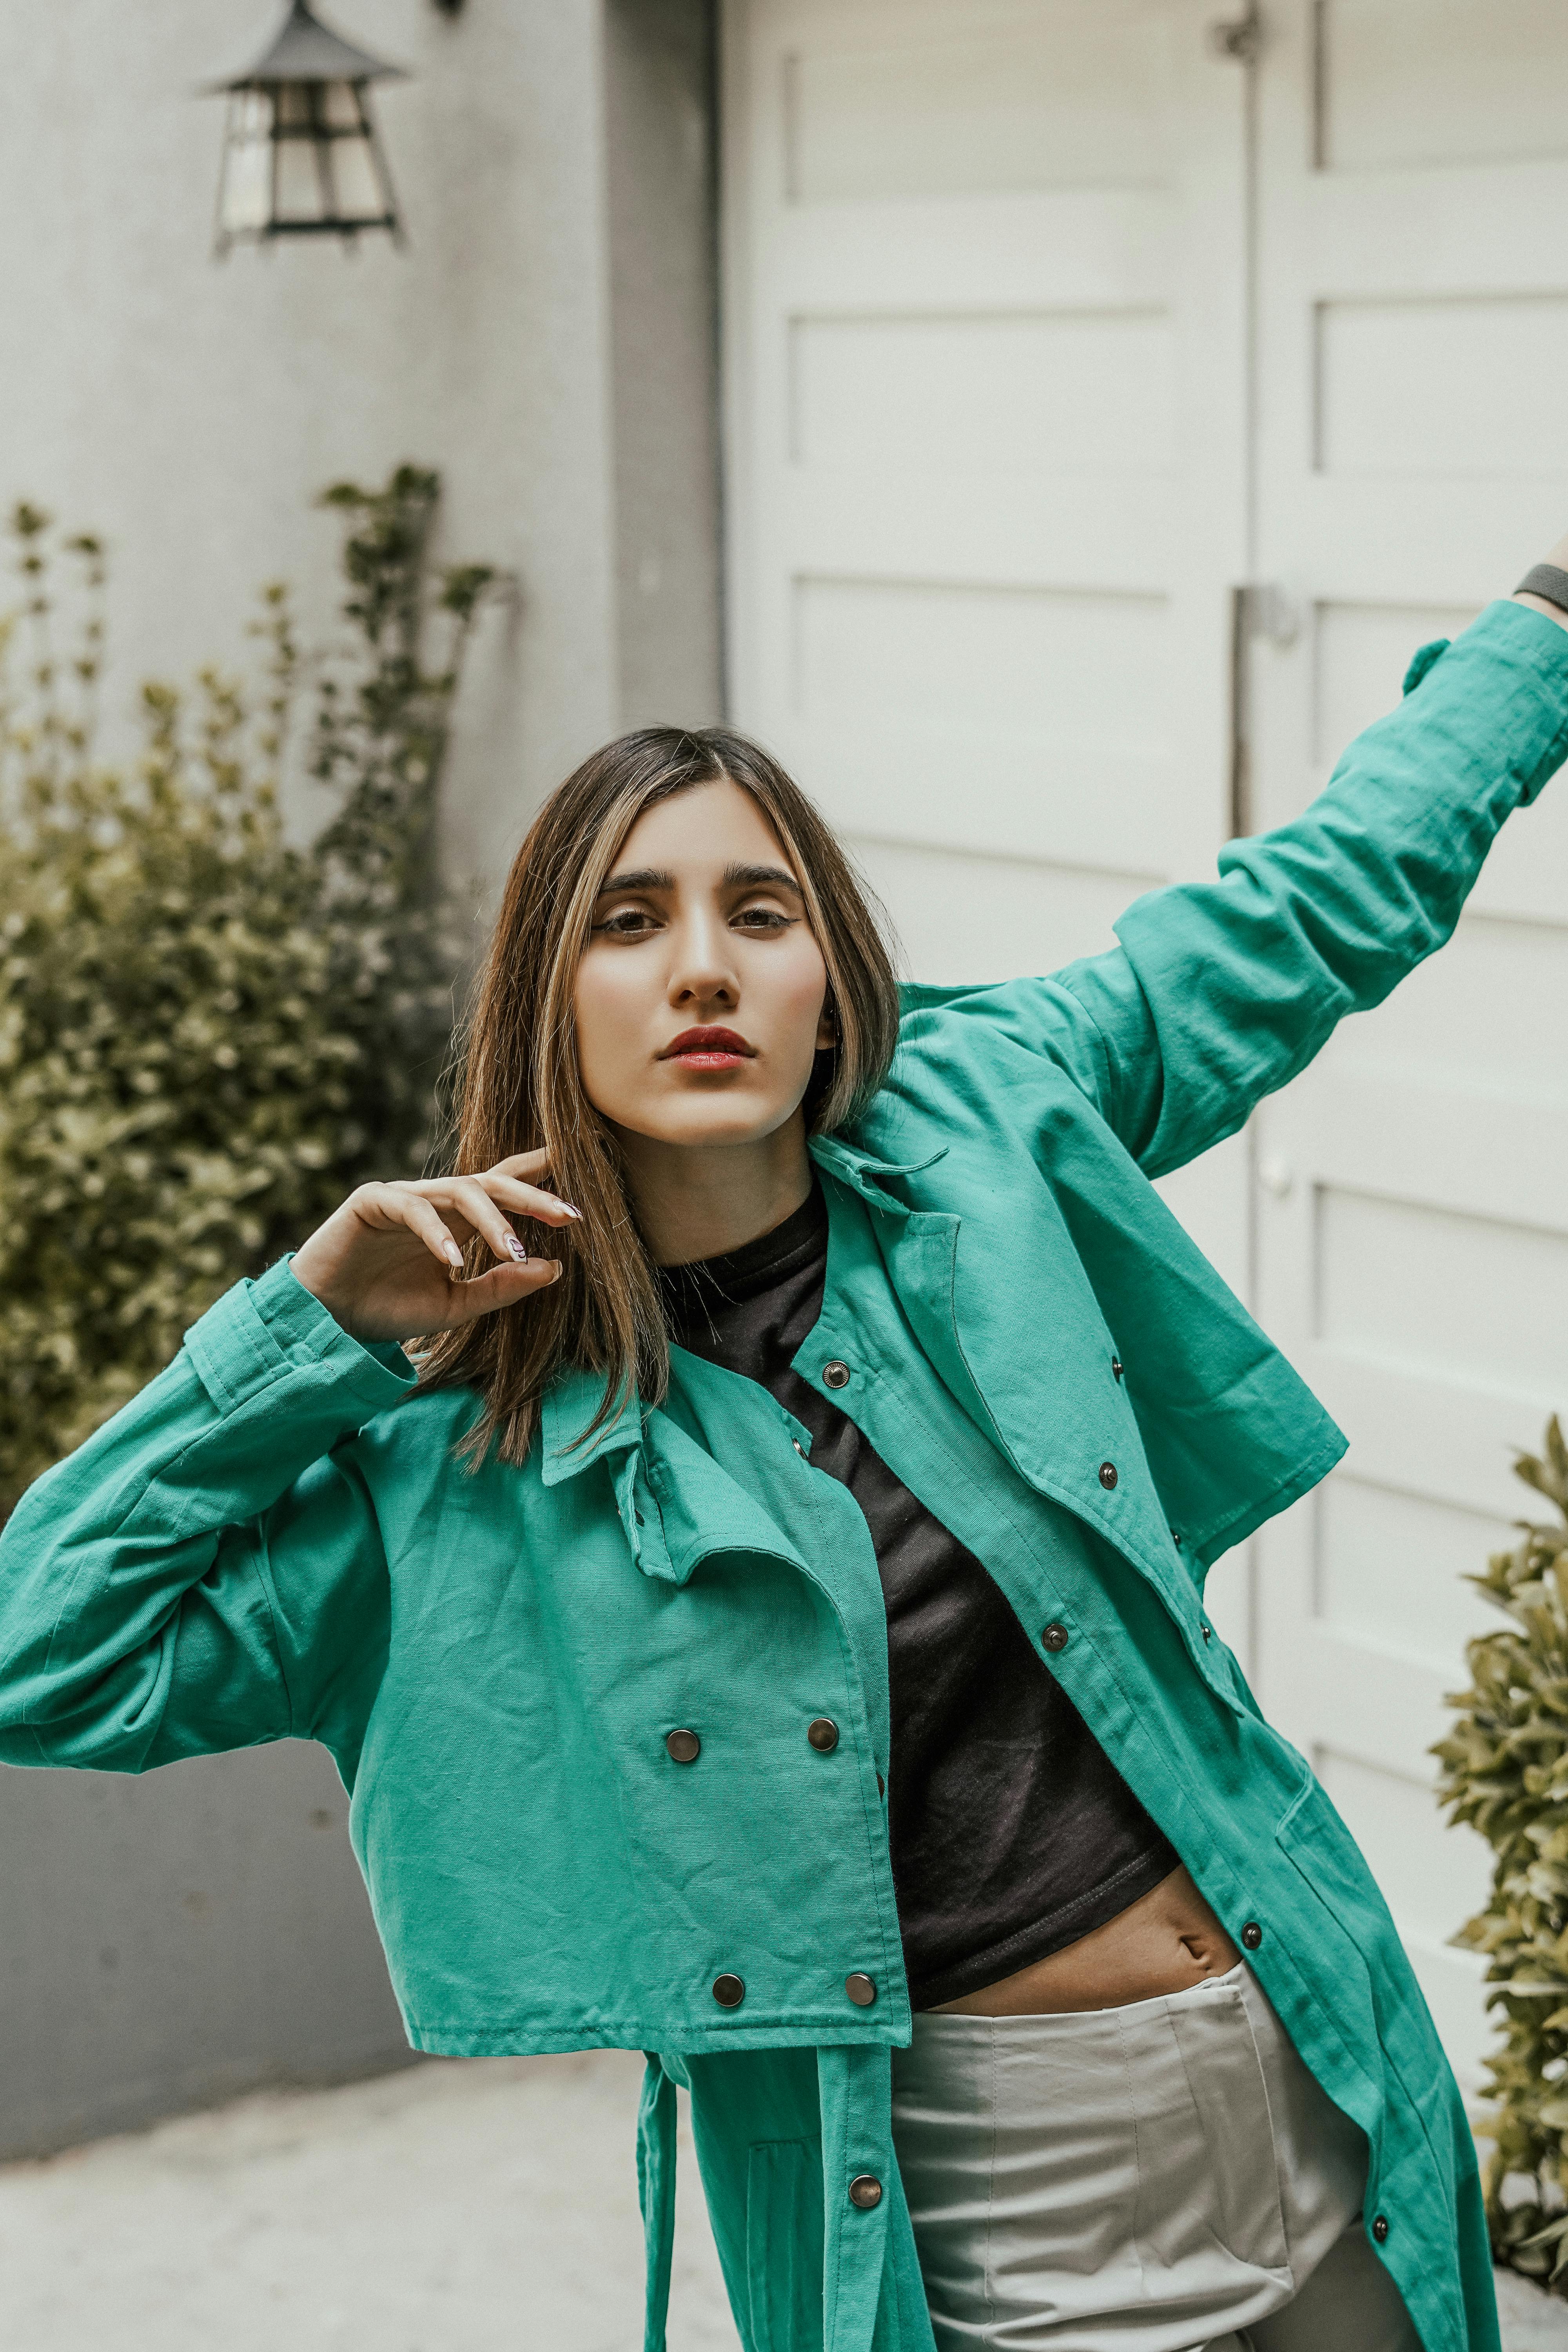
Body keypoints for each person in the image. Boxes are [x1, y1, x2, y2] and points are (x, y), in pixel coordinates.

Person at [5, 557, 1568, 2352]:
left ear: (831, 972)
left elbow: (1315, 905)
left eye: (759, 911)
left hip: (1313, 2063)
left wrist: (1546, 631)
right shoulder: (459, 1463)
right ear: (549, 996)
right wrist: (309, 1325)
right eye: (627, 921)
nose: (701, 970)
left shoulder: (993, 1118)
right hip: (989, 2213)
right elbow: (41, 1653)